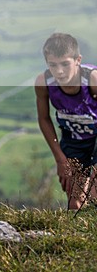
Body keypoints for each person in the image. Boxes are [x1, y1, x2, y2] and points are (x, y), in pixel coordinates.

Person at [35, 32, 97, 210]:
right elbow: (44, 119)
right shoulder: (44, 82)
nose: (59, 71)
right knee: (74, 201)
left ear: (78, 60)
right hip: (73, 139)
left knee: (94, 193)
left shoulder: (92, 80)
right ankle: (75, 235)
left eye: (65, 64)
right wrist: (60, 159)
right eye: (52, 65)